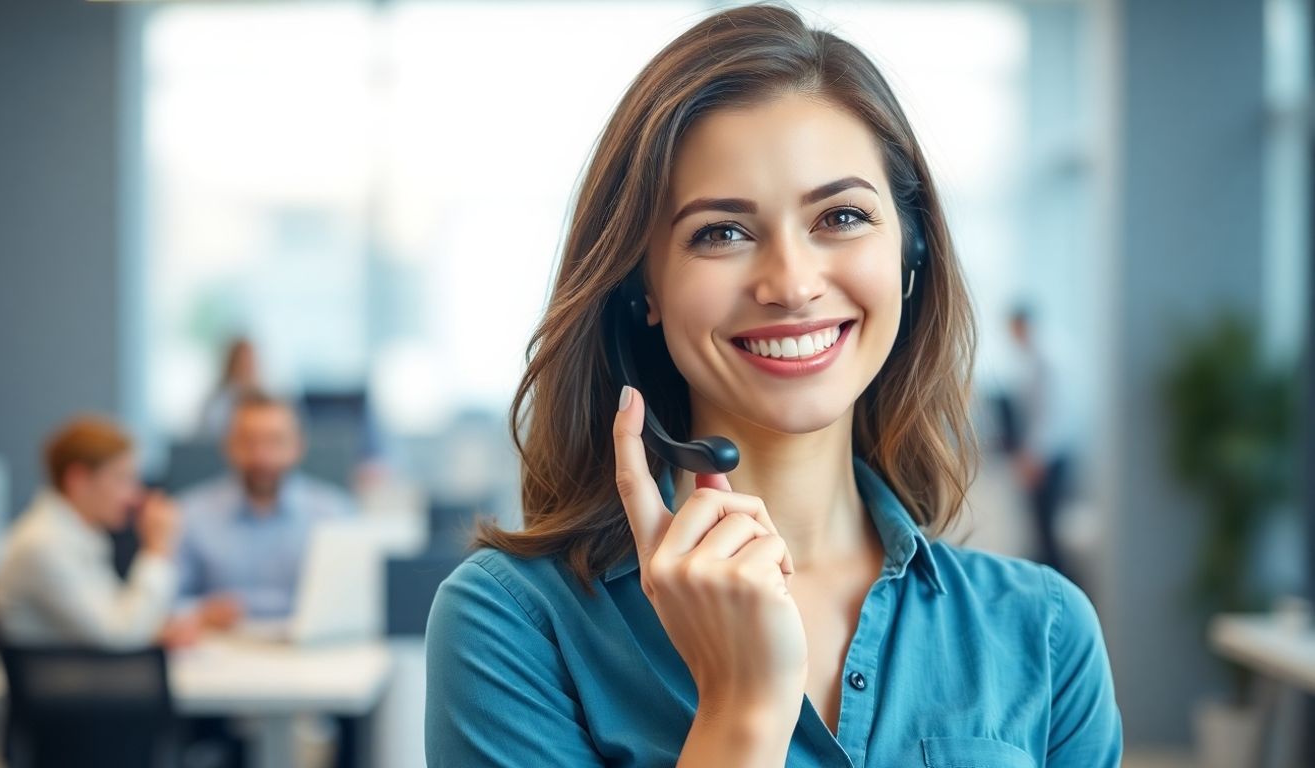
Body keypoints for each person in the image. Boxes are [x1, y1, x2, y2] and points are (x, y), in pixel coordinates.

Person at [423, 5, 1122, 767]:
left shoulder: (1045, 633)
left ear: (910, 249)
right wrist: (741, 710)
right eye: (721, 232)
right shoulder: (515, 625)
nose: (791, 284)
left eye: (841, 216)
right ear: (642, 284)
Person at [0, 415, 189, 650]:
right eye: (122, 479)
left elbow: (115, 614)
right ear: (79, 480)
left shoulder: (78, 533)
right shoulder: (44, 545)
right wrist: (157, 550)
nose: (135, 497)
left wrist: (154, 630)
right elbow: (119, 639)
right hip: (72, 673)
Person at [177, 390, 354, 625]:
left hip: (306, 642)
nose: (262, 456)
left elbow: (353, 601)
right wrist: (199, 611)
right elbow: (166, 604)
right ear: (228, 446)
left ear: (298, 446)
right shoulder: (189, 514)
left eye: (275, 441)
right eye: (248, 442)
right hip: (219, 641)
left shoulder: (335, 514)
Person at [1007, 305, 1080, 583]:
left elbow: (1048, 416)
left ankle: (1056, 588)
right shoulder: (1033, 361)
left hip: (1048, 458)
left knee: (1047, 534)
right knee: (1040, 533)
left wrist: (1033, 458)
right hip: (1042, 455)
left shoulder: (1046, 361)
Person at [196, 336, 261, 439]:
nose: (246, 365)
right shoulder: (218, 401)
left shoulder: (264, 401)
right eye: (242, 361)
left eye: (250, 360)